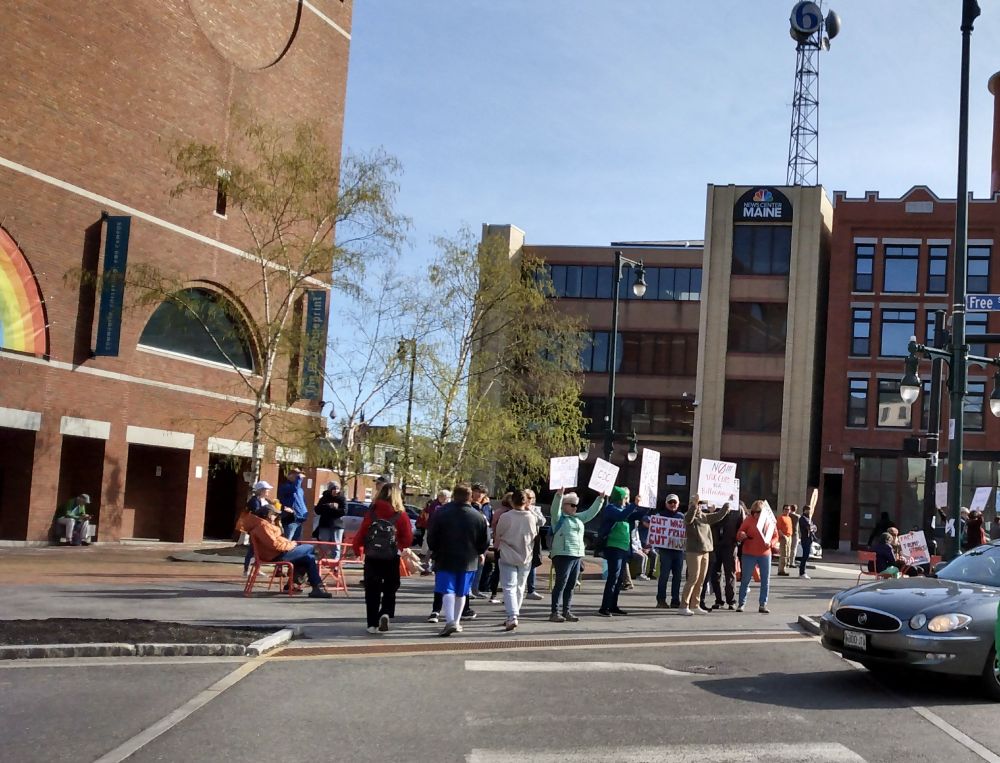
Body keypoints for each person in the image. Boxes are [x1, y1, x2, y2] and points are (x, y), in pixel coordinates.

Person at [426, 482, 490, 637]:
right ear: (470, 497)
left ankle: (449, 621)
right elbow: (485, 540)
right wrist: (479, 552)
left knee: (447, 589)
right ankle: (457, 621)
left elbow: (431, 535)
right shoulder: (478, 516)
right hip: (469, 559)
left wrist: (434, 549)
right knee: (462, 592)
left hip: (445, 556)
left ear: (454, 496)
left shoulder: (441, 513)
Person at [352, 482, 413, 634]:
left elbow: (362, 532)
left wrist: (358, 549)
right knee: (391, 586)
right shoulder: (400, 514)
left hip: (372, 555)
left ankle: (371, 624)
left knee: (372, 589)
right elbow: (408, 538)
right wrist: (399, 545)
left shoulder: (372, 511)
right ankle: (385, 612)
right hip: (391, 555)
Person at [242, 498, 332, 598]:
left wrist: (280, 529)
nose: (276, 516)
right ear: (267, 514)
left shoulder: (263, 525)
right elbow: (274, 544)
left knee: (309, 559)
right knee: (309, 548)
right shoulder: (263, 526)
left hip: (276, 553)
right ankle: (298, 582)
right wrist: (291, 545)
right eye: (274, 514)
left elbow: (275, 542)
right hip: (276, 555)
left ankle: (313, 588)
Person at [548, 488, 605, 622]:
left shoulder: (578, 518)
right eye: (572, 505)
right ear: (564, 505)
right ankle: (554, 612)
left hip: (577, 554)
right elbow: (554, 510)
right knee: (561, 583)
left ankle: (567, 611)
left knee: (571, 584)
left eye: (576, 505)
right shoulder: (559, 518)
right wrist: (559, 496)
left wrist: (600, 499)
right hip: (563, 554)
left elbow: (590, 513)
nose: (575, 508)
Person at [494, 489, 543, 631]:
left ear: (511, 501)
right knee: (520, 587)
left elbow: (499, 533)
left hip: (508, 554)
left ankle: (512, 615)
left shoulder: (506, 516)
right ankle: (514, 614)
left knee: (509, 586)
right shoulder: (531, 517)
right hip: (526, 555)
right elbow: (534, 534)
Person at [681, 495, 731, 616]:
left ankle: (695, 604)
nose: (699, 506)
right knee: (693, 578)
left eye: (700, 504)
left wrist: (726, 506)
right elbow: (688, 519)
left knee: (701, 580)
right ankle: (684, 605)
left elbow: (718, 516)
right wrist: (694, 505)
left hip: (705, 550)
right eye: (698, 504)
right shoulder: (689, 516)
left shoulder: (704, 517)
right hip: (694, 551)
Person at [598, 486, 643, 617]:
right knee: (613, 577)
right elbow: (621, 516)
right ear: (619, 498)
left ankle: (613, 605)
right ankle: (604, 607)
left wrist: (646, 505)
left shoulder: (625, 508)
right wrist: (633, 504)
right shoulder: (611, 509)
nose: (626, 500)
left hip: (623, 547)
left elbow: (638, 515)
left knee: (619, 579)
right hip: (613, 546)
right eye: (624, 498)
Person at [736, 500, 778, 613]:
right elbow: (739, 534)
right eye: (754, 511)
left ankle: (763, 604)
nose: (755, 514)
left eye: (758, 512)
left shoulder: (769, 521)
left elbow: (775, 536)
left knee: (765, 580)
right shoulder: (748, 520)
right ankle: (741, 604)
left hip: (765, 554)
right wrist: (742, 535)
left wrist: (771, 543)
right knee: (745, 579)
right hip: (749, 553)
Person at [709, 500, 745, 610]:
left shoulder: (737, 508)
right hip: (714, 544)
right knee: (715, 574)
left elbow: (742, 526)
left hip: (730, 544)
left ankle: (731, 600)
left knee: (730, 573)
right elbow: (707, 522)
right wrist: (712, 512)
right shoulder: (713, 505)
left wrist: (737, 541)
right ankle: (718, 600)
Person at [654, 495, 685, 609]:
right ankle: (661, 600)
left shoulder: (682, 517)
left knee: (677, 577)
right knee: (664, 576)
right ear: (666, 503)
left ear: (678, 503)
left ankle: (675, 600)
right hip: (665, 551)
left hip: (678, 551)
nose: (672, 504)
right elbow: (648, 521)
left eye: (674, 502)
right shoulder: (660, 515)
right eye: (670, 502)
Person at [242, 481, 276, 574]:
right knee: (253, 548)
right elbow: (255, 513)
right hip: (255, 528)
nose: (268, 491)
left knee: (259, 548)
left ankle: (257, 569)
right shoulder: (254, 501)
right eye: (266, 490)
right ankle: (246, 569)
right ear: (261, 490)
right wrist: (266, 511)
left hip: (264, 527)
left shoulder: (266, 501)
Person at [314, 481, 347, 559]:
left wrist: (336, 508)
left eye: (337, 488)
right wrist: (328, 506)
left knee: (336, 546)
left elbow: (344, 511)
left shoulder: (342, 498)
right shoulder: (324, 498)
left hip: (337, 525)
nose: (336, 490)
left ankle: (335, 565)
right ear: (329, 489)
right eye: (333, 488)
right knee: (323, 545)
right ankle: (322, 562)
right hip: (325, 524)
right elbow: (317, 510)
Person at [277, 468, 308, 541]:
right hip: (290, 518)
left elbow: (302, 502)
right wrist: (299, 478)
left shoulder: (300, 489)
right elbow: (294, 488)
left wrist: (304, 514)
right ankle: (285, 552)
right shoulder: (285, 486)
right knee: (288, 541)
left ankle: (294, 552)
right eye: (296, 476)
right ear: (290, 475)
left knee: (296, 541)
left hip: (299, 518)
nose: (299, 479)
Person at [798, 505, 818, 578]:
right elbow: (809, 527)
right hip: (805, 539)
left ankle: (802, 572)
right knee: (805, 556)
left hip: (809, 539)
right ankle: (802, 572)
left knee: (806, 556)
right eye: (809, 510)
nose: (810, 511)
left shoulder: (809, 518)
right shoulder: (802, 518)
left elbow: (815, 527)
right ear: (805, 510)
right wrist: (811, 527)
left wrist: (812, 528)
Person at [776, 504, 796, 576]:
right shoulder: (781, 518)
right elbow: (778, 528)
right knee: (783, 554)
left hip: (789, 536)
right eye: (785, 509)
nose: (787, 511)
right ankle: (781, 570)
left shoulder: (789, 518)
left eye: (788, 509)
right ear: (783, 510)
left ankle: (784, 569)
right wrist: (783, 536)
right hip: (784, 537)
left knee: (788, 554)